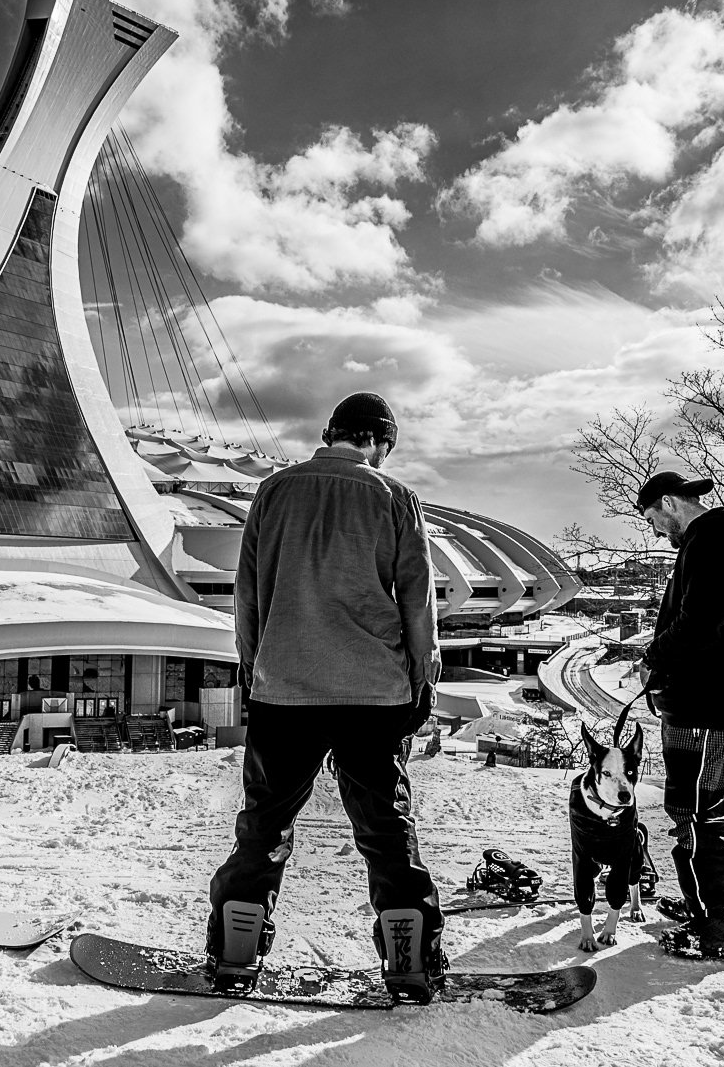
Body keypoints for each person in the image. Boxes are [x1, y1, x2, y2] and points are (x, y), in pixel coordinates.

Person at [205, 391, 443, 1000]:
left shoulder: (275, 491)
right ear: (380, 443)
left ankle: (236, 950)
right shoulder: (394, 497)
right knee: (386, 828)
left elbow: (249, 594)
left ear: (331, 432)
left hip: (285, 687)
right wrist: (423, 677)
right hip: (374, 691)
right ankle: (409, 958)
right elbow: (416, 596)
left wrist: (256, 673)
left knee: (264, 823)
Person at [636, 471, 724, 960]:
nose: (655, 531)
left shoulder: (710, 542)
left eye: (652, 519)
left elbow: (700, 622)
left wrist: (653, 658)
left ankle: (722, 929)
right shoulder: (711, 541)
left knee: (700, 813)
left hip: (705, 707)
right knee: (702, 810)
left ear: (669, 502)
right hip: (702, 702)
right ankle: (708, 910)